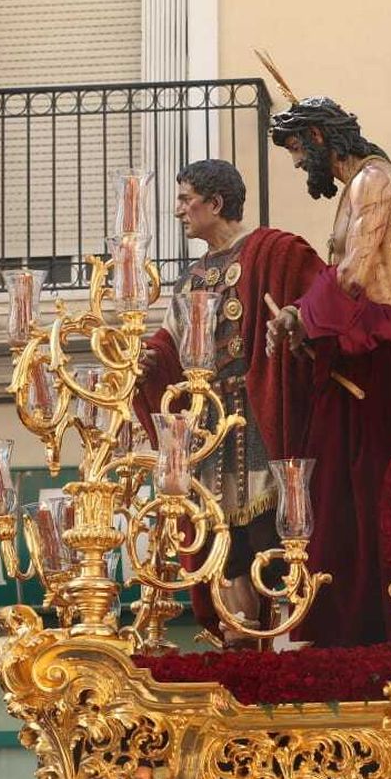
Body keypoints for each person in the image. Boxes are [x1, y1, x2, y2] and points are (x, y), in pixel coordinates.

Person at [134, 159, 345, 646]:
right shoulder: (190, 279)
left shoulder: (276, 251)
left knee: (277, 539)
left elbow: (323, 302)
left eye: (187, 199)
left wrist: (295, 317)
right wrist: (146, 361)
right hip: (208, 431)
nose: (178, 210)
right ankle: (241, 653)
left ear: (216, 203)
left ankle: (292, 646)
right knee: (223, 549)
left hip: (263, 423)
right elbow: (171, 342)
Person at [266, 96, 391, 646]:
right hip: (364, 357)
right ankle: (349, 625)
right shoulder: (359, 186)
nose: (299, 165)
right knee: (342, 494)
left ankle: (381, 626)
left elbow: (352, 276)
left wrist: (301, 317)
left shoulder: (373, 181)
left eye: (299, 150)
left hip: (383, 362)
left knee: (368, 494)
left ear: (321, 139)